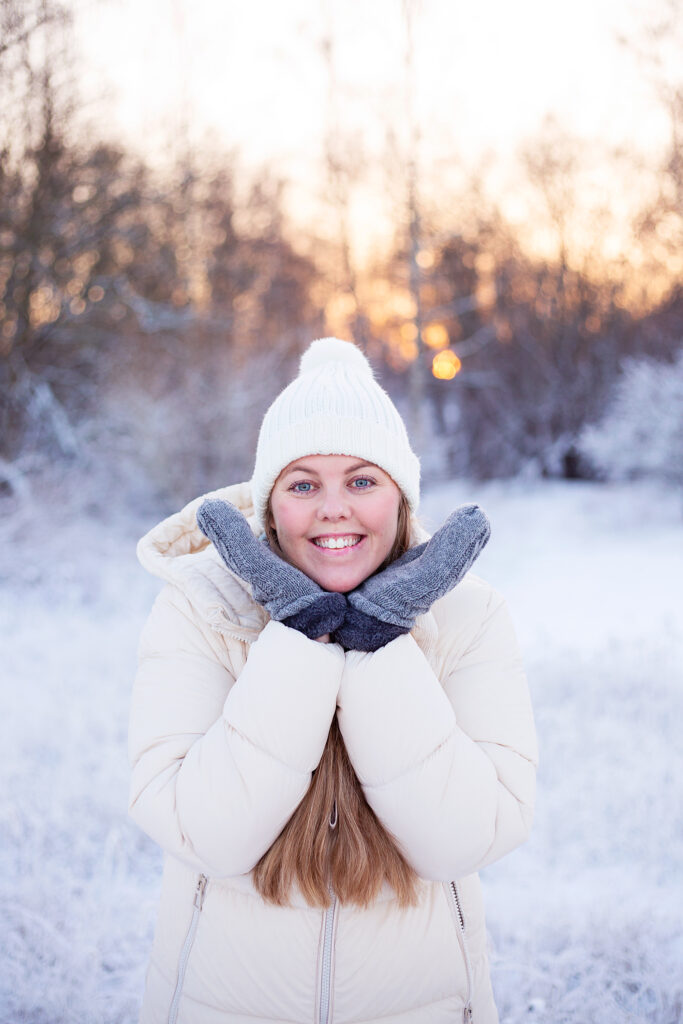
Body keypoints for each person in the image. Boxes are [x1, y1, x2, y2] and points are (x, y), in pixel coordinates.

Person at [129, 337, 538, 1024]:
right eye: (302, 484)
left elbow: (462, 839)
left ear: (399, 497)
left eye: (360, 480)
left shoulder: (467, 616)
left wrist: (380, 641)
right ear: (269, 506)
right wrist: (297, 637)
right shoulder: (199, 607)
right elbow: (206, 834)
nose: (332, 508)